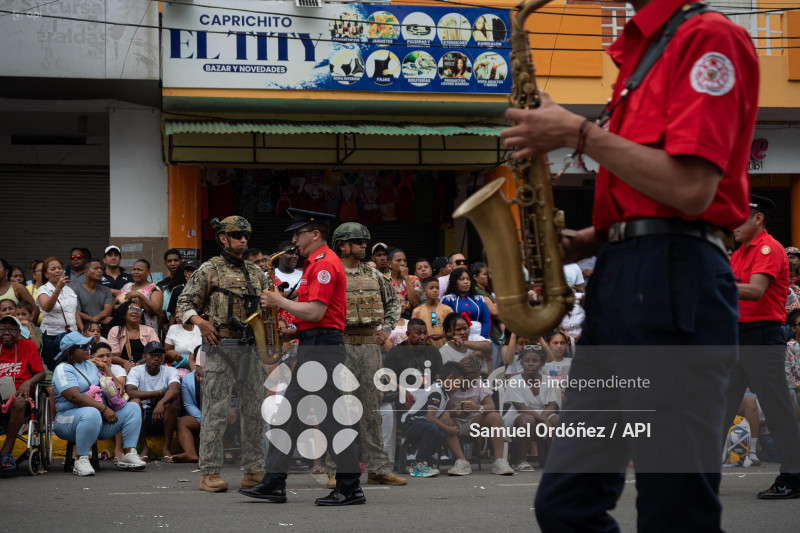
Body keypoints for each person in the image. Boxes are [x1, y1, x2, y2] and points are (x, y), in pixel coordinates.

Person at [500, 0, 760, 529]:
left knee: (674, 510)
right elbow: (656, 196)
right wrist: (591, 239)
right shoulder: (645, 50)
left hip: (673, 278)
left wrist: (576, 132)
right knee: (564, 503)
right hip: (624, 274)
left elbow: (690, 188)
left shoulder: (709, 37)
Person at [239, 208, 364, 506]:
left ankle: (349, 487)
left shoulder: (323, 265)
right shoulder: (314, 265)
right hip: (314, 344)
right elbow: (318, 317)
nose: (294, 240)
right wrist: (294, 333)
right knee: (289, 416)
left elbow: (317, 312)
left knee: (330, 419)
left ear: (315, 234)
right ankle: (274, 482)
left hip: (323, 348)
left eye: (298, 234)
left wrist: (279, 300)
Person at [176, 215, 268, 494]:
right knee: (215, 412)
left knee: (254, 411)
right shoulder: (209, 269)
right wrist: (201, 323)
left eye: (246, 235)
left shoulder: (256, 272)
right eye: (237, 234)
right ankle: (210, 472)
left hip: (251, 349)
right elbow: (185, 302)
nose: (243, 239)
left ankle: (253, 470)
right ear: (223, 238)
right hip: (220, 348)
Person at [726, 194, 800, 499]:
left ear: (758, 218)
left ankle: (794, 477)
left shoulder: (769, 249)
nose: (733, 224)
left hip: (763, 337)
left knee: (778, 409)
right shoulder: (738, 254)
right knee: (718, 407)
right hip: (737, 338)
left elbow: (755, 291)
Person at [322, 222, 406, 487]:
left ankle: (378, 469)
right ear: (342, 245)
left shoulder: (375, 276)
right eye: (358, 241)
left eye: (364, 241)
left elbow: (394, 301)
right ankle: (335, 470)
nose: (364, 246)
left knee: (372, 410)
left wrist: (388, 330)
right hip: (341, 346)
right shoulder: (331, 272)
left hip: (370, 347)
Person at [51, 331, 146, 475]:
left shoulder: (90, 365)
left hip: (97, 420)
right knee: (91, 412)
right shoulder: (63, 369)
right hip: (66, 420)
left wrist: (106, 369)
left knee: (133, 407)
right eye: (82, 346)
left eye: (88, 344)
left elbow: (116, 387)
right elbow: (74, 396)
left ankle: (128, 454)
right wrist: (103, 408)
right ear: (70, 351)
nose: (87, 348)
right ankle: (81, 459)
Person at [445, 355, 515, 476]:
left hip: (474, 422)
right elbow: (441, 408)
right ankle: (462, 462)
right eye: (468, 380)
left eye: (474, 379)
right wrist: (453, 413)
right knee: (444, 421)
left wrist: (477, 408)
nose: (472, 383)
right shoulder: (450, 384)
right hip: (455, 422)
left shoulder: (478, 384)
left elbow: (491, 406)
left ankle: (499, 461)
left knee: (495, 417)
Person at [400, 361, 465, 478]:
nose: (459, 387)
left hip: (422, 423)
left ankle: (426, 461)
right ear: (450, 378)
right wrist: (450, 430)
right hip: (410, 422)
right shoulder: (437, 391)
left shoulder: (446, 393)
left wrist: (454, 413)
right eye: (459, 383)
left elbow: (436, 414)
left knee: (440, 434)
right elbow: (430, 418)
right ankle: (419, 464)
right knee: (432, 428)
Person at [502, 346, 559, 472]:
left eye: (535, 361)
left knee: (559, 420)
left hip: (541, 414)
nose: (530, 364)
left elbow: (551, 405)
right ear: (521, 362)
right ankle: (520, 461)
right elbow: (520, 407)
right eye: (527, 361)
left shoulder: (547, 380)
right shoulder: (514, 381)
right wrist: (544, 422)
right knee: (528, 420)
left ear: (542, 363)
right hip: (517, 415)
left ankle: (555, 459)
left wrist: (543, 419)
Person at [0, 315, 45, 472]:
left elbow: (41, 374)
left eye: (11, 329)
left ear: (19, 332)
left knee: (19, 400)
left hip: (20, 398)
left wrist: (28, 383)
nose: (6, 332)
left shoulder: (27, 345)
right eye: (2, 329)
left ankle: (6, 452)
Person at [126, 341, 181, 462]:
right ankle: (145, 448)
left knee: (170, 402)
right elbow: (130, 392)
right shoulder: (136, 371)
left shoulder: (170, 370)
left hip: (163, 415)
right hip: (143, 415)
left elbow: (175, 389)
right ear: (144, 356)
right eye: (152, 355)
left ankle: (166, 449)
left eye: (159, 355)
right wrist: (158, 393)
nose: (156, 358)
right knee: (135, 402)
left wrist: (161, 402)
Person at [37, 257, 81, 370]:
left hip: (70, 335)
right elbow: (47, 307)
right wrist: (57, 289)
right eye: (53, 269)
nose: (57, 271)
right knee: (54, 367)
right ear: (46, 274)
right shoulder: (43, 289)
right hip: (52, 337)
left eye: (59, 268)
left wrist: (81, 330)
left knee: (72, 365)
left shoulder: (69, 290)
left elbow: (74, 312)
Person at [89, 342, 127, 462]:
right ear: (91, 357)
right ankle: (79, 453)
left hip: (112, 405)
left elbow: (119, 389)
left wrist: (106, 369)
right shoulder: (86, 368)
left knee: (120, 409)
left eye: (108, 355)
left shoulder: (117, 368)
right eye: (101, 356)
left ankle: (118, 450)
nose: (105, 359)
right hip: (93, 405)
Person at [441, 267, 492, 340]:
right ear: (454, 282)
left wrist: (482, 338)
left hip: (479, 338)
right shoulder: (447, 299)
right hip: (456, 339)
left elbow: (486, 321)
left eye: (468, 279)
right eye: (462, 279)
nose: (466, 282)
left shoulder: (479, 299)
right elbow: (445, 322)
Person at [107, 300, 160, 369]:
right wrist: (125, 363)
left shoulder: (149, 330)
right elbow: (113, 356)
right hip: (123, 368)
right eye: (131, 309)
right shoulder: (115, 330)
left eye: (139, 310)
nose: (135, 311)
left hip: (147, 367)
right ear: (124, 314)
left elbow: (156, 352)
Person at [115, 259, 163, 329]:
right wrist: (128, 308)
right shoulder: (127, 286)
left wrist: (140, 296)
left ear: (148, 272)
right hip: (125, 328)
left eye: (139, 270)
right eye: (134, 269)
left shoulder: (154, 289)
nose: (136, 272)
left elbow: (156, 311)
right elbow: (115, 305)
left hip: (146, 330)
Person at [411, 277, 454, 348]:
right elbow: (413, 332)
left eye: (437, 288)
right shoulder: (417, 311)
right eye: (431, 288)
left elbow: (454, 331)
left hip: (445, 349)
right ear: (424, 291)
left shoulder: (447, 310)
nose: (435, 290)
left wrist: (442, 335)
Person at [173, 367, 202, 463]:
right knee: (181, 422)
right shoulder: (188, 378)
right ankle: (190, 453)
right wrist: (203, 419)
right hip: (201, 418)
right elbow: (188, 404)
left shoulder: (219, 375)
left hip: (218, 416)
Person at [75, 259, 114, 327]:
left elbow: (107, 311)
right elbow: (77, 313)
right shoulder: (76, 290)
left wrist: (94, 320)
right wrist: (99, 321)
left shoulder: (106, 290)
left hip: (102, 330)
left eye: (100, 268)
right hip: (84, 328)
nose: (100, 271)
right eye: (96, 268)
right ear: (86, 271)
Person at [385, 248, 421, 317]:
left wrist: (406, 278)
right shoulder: (384, 279)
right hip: (389, 319)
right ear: (389, 264)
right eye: (398, 260)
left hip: (409, 319)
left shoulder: (414, 279)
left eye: (404, 261)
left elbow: (415, 303)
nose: (402, 263)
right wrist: (408, 306)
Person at [156, 249, 184, 330]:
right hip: (168, 326)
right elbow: (160, 307)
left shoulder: (186, 281)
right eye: (169, 261)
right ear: (165, 263)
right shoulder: (161, 285)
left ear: (181, 261)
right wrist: (164, 323)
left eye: (176, 260)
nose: (173, 264)